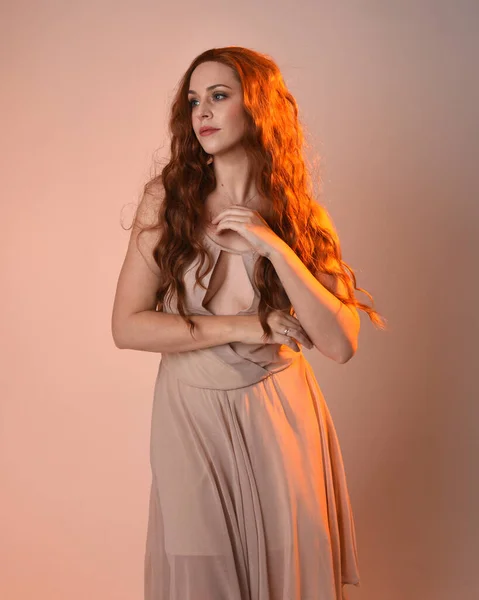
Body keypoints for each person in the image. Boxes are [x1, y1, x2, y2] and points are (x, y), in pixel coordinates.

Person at [111, 46, 385, 600]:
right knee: (202, 571)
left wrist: (274, 245)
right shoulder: (167, 201)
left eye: (219, 96)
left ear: (258, 107)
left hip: (281, 414)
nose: (202, 113)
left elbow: (340, 344)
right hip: (190, 412)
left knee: (288, 568)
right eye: (193, 101)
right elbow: (128, 327)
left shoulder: (300, 215)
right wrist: (247, 325)